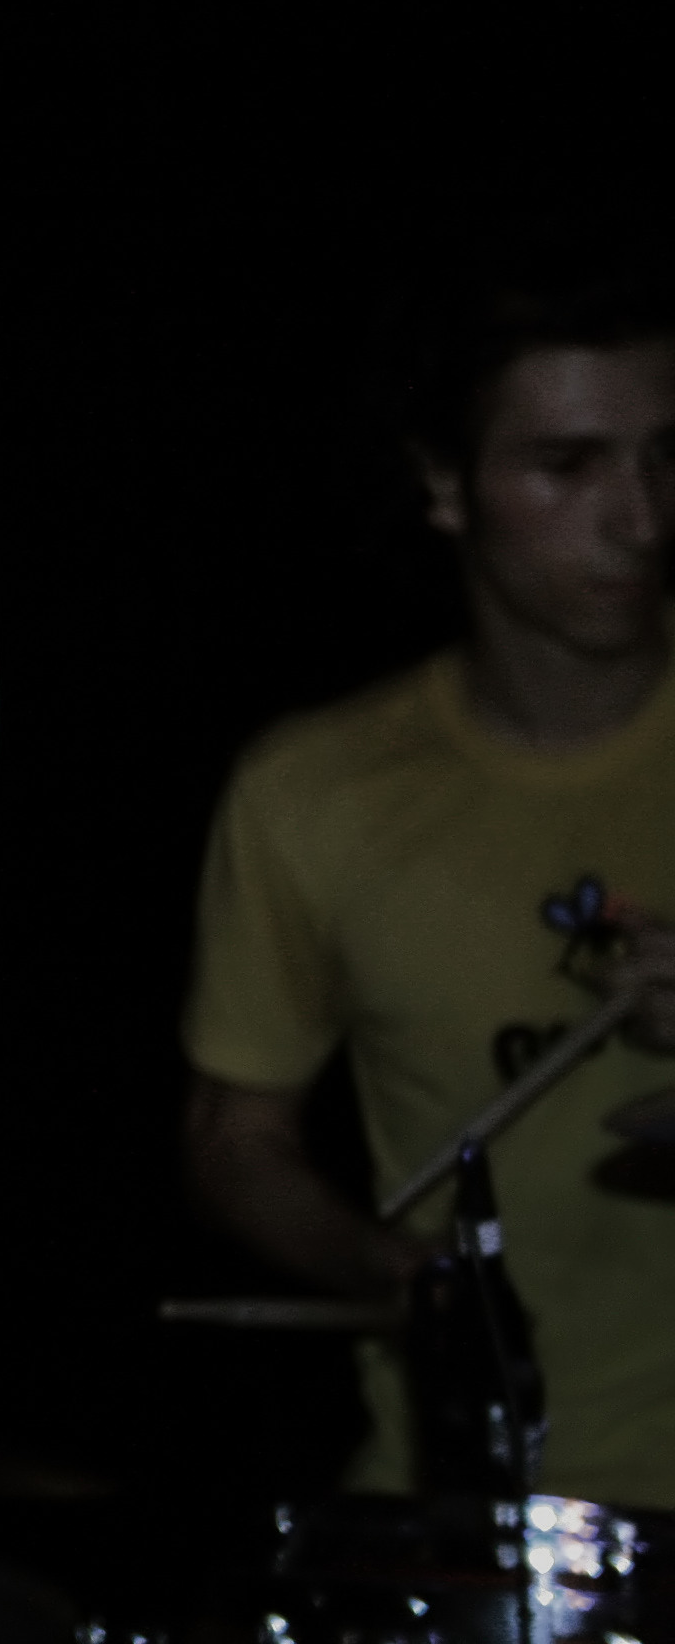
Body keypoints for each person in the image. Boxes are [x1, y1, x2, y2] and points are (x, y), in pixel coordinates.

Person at [182, 237, 675, 1508]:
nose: (640, 516)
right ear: (443, 484)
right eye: (566, 465)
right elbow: (236, 1140)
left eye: (662, 454)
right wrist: (380, 1263)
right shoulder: (312, 792)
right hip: (454, 1510)